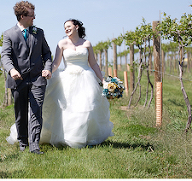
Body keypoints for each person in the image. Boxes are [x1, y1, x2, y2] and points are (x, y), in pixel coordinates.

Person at [8, 19, 114, 149]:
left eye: (69, 26)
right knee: (69, 108)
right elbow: (56, 63)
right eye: (65, 28)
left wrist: (102, 80)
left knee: (89, 104)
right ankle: (69, 137)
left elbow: (93, 64)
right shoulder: (62, 43)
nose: (66, 29)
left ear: (77, 27)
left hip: (86, 77)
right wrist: (48, 71)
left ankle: (86, 137)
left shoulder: (87, 43)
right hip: (68, 77)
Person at [1, 1, 53, 155]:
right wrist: (11, 70)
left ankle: (35, 145)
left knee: (36, 111)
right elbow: (5, 55)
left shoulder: (39, 32)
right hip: (18, 80)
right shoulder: (8, 34)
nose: (34, 18)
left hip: (37, 79)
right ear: (22, 16)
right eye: (32, 15)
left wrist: (47, 68)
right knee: (20, 112)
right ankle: (23, 141)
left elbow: (47, 54)